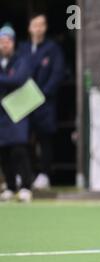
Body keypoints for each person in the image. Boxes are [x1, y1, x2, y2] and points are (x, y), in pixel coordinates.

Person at [18, 13, 66, 190]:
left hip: (44, 102)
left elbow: (57, 73)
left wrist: (42, 94)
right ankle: (25, 174)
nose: (38, 28)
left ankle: (44, 174)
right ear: (29, 28)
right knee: (23, 139)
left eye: (41, 25)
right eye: (35, 25)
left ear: (45, 27)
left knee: (44, 139)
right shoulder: (22, 48)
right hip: (23, 102)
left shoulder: (52, 48)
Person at [0, 25, 33, 202]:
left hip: (17, 111)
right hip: (1, 114)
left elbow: (18, 79)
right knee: (3, 151)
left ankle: (26, 186)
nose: (4, 45)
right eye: (1, 42)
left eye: (7, 41)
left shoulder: (22, 60)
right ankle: (11, 186)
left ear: (12, 43)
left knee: (18, 149)